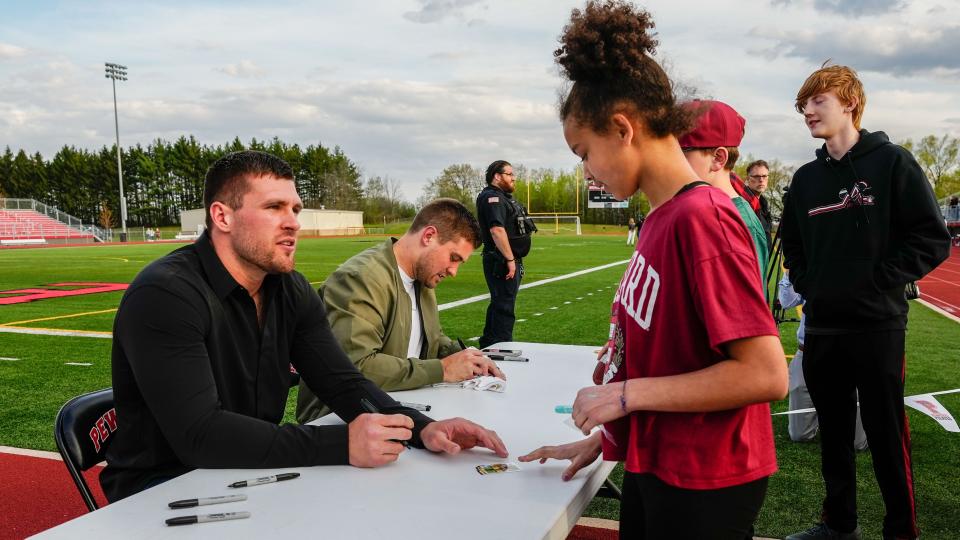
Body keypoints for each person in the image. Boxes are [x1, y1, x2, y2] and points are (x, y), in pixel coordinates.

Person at [518, 3, 788, 538]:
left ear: (622, 129)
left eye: (583, 152)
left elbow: (765, 373)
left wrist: (623, 397)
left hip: (703, 479)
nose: (586, 170)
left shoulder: (703, 220)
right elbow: (671, 355)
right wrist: (604, 438)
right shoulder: (662, 220)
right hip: (658, 461)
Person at [101, 150, 507, 503]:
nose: (293, 222)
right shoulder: (166, 295)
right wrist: (340, 443)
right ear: (222, 216)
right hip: (162, 488)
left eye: (295, 209)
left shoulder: (288, 289)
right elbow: (200, 435)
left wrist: (422, 429)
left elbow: (343, 384)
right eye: (274, 208)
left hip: (240, 471)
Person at [780, 64, 950, 540]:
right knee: (833, 437)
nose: (808, 111)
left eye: (818, 101)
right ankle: (839, 526)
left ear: (849, 102)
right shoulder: (805, 178)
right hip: (823, 328)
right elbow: (792, 241)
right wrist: (811, 282)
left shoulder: (893, 162)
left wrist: (880, 280)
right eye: (803, 105)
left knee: (885, 437)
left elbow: (931, 238)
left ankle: (902, 531)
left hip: (878, 326)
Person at [296, 199, 504, 423]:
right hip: (338, 419)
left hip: (392, 407)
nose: (453, 271)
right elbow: (357, 367)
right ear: (428, 236)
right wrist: (443, 369)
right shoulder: (361, 278)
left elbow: (432, 340)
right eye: (454, 258)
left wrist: (466, 356)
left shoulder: (422, 278)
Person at [678, 99, 769, 286]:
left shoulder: (742, 224)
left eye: (681, 152)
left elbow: (745, 312)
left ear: (718, 158)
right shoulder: (696, 208)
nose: (671, 161)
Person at [778, 272, 867, 451]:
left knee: (857, 443)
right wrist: (790, 274)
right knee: (799, 435)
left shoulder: (857, 263)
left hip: (849, 354)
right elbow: (787, 302)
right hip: (808, 351)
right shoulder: (810, 265)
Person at [476, 160, 536, 349]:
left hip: (506, 259)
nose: (513, 178)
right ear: (497, 176)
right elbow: (497, 230)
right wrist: (510, 259)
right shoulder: (493, 198)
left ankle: (490, 345)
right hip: (500, 260)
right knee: (504, 307)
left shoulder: (502, 197)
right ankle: (500, 347)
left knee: (501, 304)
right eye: (509, 174)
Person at [745, 159, 774, 245]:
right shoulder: (743, 203)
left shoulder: (763, 203)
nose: (761, 180)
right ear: (748, 178)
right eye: (756, 176)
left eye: (764, 176)